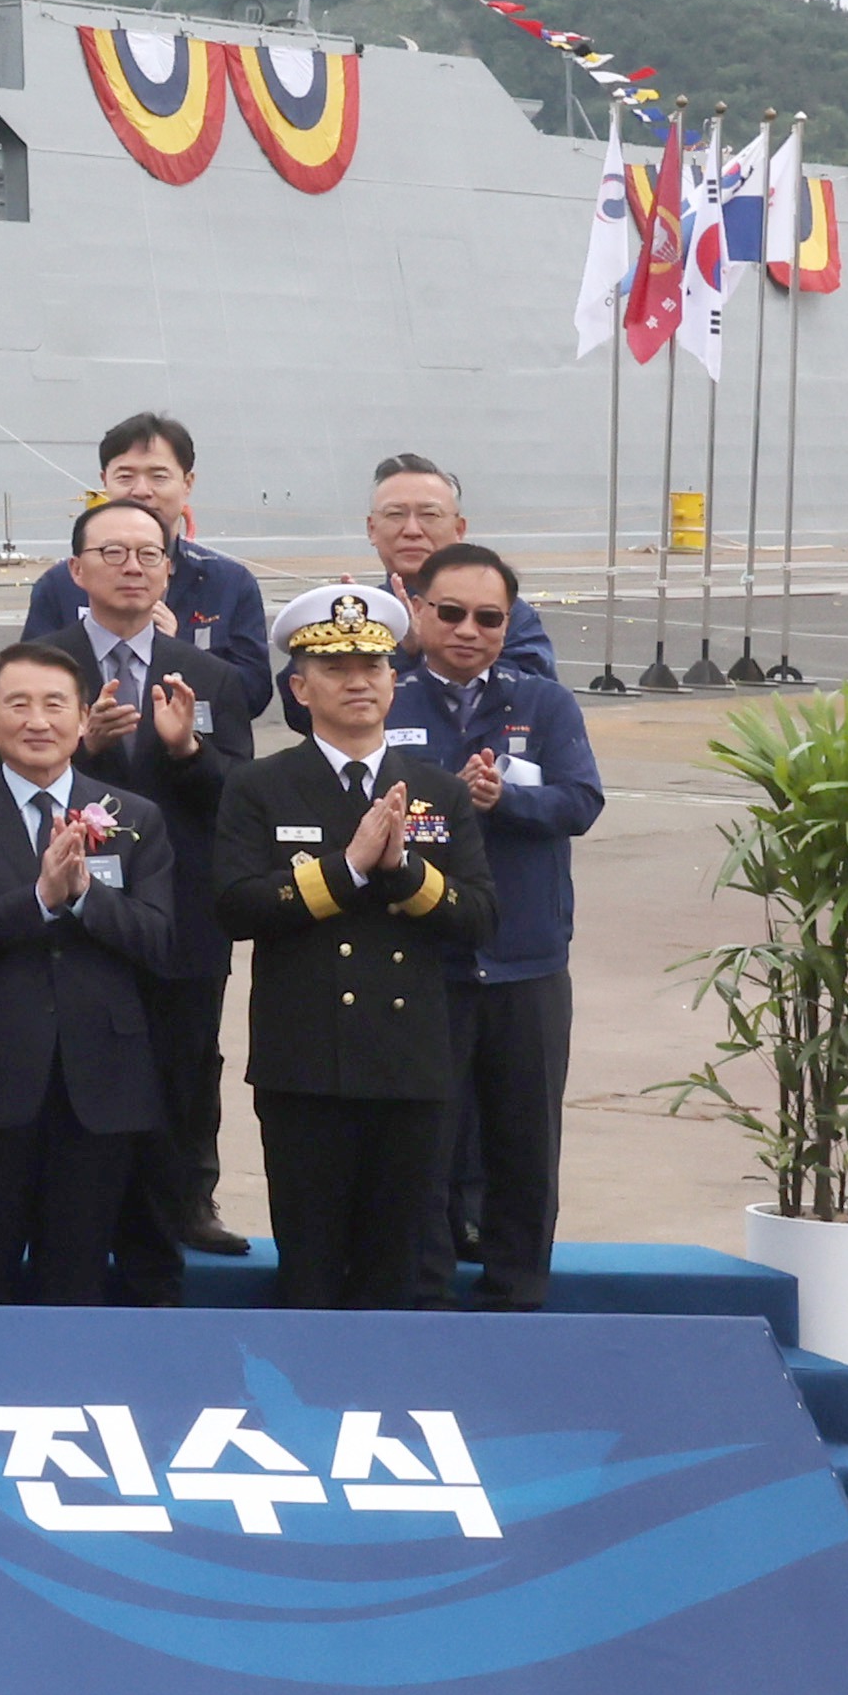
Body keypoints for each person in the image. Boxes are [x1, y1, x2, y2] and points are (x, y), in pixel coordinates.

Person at [219, 582, 495, 1309]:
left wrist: (403, 869)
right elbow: (236, 904)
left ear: (393, 682)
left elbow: (479, 916)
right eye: (335, 667)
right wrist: (345, 868)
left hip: (408, 1063)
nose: (356, 681)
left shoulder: (436, 791)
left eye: (371, 667)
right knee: (309, 1262)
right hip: (304, 1060)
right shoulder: (260, 786)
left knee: (396, 1264)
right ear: (299, 686)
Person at [0, 645, 178, 1305]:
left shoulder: (131, 817)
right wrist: (38, 898)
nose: (37, 720)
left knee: (77, 1275)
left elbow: (158, 940)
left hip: (100, 1084)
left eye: (55, 703)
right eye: (18, 704)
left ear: (84, 716)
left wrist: (86, 895)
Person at [393, 542, 601, 1308]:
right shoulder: (389, 698)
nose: (467, 630)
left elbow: (580, 801)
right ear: (417, 611)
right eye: (448, 612)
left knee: (523, 1141)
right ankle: (424, 1295)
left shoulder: (540, 703)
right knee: (424, 1142)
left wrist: (503, 800)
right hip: (423, 959)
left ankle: (517, 1293)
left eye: (488, 617)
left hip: (525, 958)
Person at [59, 493, 255, 1280]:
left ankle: (186, 1199)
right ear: (77, 569)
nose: (131, 566)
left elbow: (238, 796)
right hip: (72, 900)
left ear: (169, 571)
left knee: (183, 1058)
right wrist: (85, 748)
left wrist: (186, 754)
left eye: (147, 553)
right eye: (112, 552)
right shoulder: (42, 667)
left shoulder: (209, 676)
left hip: (180, 908)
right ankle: (76, 1202)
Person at [20, 412, 277, 721]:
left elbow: (253, 694)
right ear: (105, 482)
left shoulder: (229, 583)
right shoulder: (61, 584)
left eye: (158, 476)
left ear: (187, 483)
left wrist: (175, 653)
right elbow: (28, 683)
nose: (141, 491)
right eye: (125, 476)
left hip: (195, 757)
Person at [363, 457, 561, 675]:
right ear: (372, 529)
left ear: (459, 529)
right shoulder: (359, 615)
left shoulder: (498, 614)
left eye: (429, 514)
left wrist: (427, 654)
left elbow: (534, 694)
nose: (412, 530)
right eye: (395, 514)